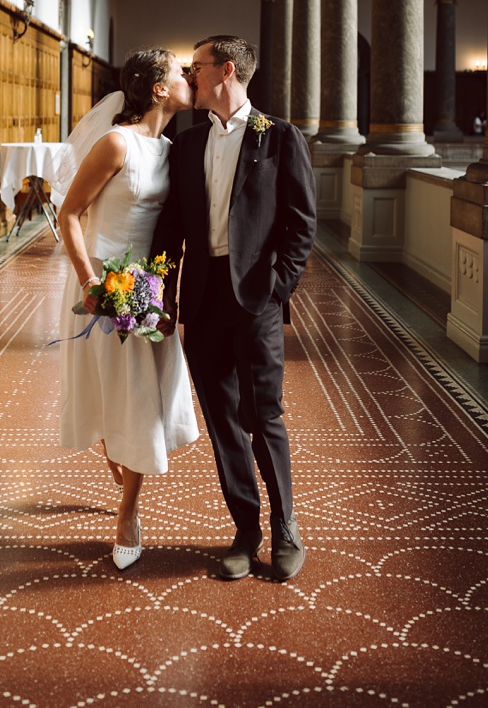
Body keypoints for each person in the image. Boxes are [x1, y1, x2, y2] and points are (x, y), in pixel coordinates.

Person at [150, 34, 317, 582]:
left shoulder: (278, 136)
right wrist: (162, 295)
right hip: (201, 297)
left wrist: (278, 288)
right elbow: (171, 225)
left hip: (255, 298)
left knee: (262, 415)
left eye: (195, 67)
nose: (188, 75)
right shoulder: (190, 140)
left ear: (225, 71)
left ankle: (287, 527)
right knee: (223, 421)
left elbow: (301, 224)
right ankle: (246, 530)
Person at [56, 48, 198, 570]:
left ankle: (128, 508)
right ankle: (123, 476)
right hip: (103, 280)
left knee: (141, 394)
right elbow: (70, 213)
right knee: (115, 388)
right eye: (181, 74)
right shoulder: (116, 143)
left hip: (148, 285)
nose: (189, 79)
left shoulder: (171, 149)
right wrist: (90, 281)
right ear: (159, 89)